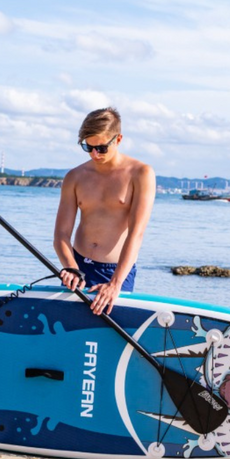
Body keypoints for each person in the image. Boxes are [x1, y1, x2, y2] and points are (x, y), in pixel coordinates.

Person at [54, 107, 156, 315]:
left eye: (101, 148)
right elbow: (61, 234)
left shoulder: (141, 174)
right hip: (77, 267)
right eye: (87, 147)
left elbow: (136, 234)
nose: (94, 154)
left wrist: (115, 283)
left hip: (116, 271)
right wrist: (71, 267)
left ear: (118, 140)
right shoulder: (74, 177)